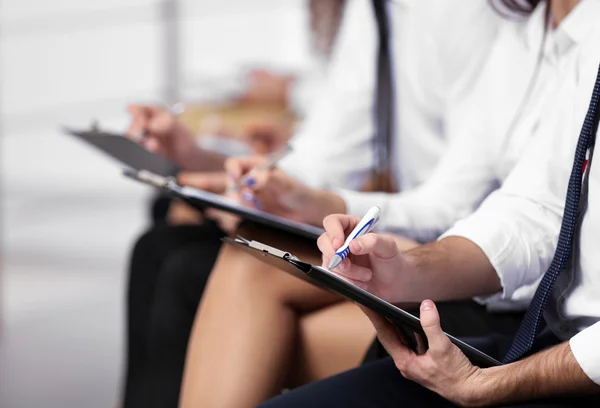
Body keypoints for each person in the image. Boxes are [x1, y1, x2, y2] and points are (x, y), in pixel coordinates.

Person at [258, 2, 600, 406]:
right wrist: (405, 272)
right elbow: (536, 208)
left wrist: (494, 383)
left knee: (242, 273)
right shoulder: (546, 36)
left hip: (563, 351)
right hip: (554, 338)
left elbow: (457, 201)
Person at [120, 2, 349, 407]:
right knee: (160, 235)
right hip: (319, 193)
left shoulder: (387, 26)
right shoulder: (351, 31)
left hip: (350, 212)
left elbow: (350, 157)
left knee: (191, 263)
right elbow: (325, 148)